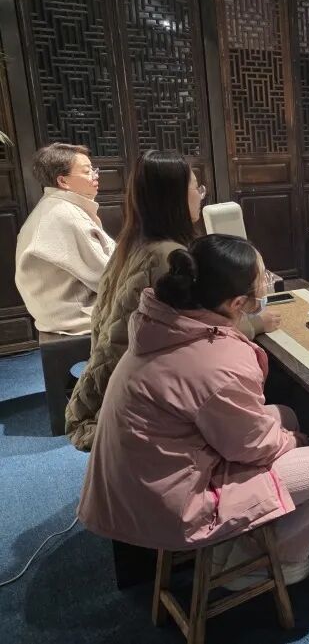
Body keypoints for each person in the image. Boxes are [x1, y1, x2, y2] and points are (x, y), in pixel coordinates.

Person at [79, 235, 309, 586]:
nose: (266, 284)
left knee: (286, 413)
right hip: (171, 505)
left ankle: (246, 538)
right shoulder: (217, 360)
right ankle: (257, 565)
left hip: (137, 483)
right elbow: (252, 446)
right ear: (238, 303)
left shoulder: (163, 321)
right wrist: (295, 441)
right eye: (262, 280)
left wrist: (285, 433)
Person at [65, 150, 278, 451]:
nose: (201, 195)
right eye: (196, 187)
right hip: (134, 401)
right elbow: (193, 335)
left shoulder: (132, 241)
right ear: (174, 198)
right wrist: (255, 324)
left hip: (107, 385)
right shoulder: (168, 257)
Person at [15, 143, 116, 335]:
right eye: (87, 171)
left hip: (53, 310)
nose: (95, 175)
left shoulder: (54, 206)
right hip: (75, 313)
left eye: (94, 169)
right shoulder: (67, 216)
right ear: (63, 181)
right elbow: (107, 274)